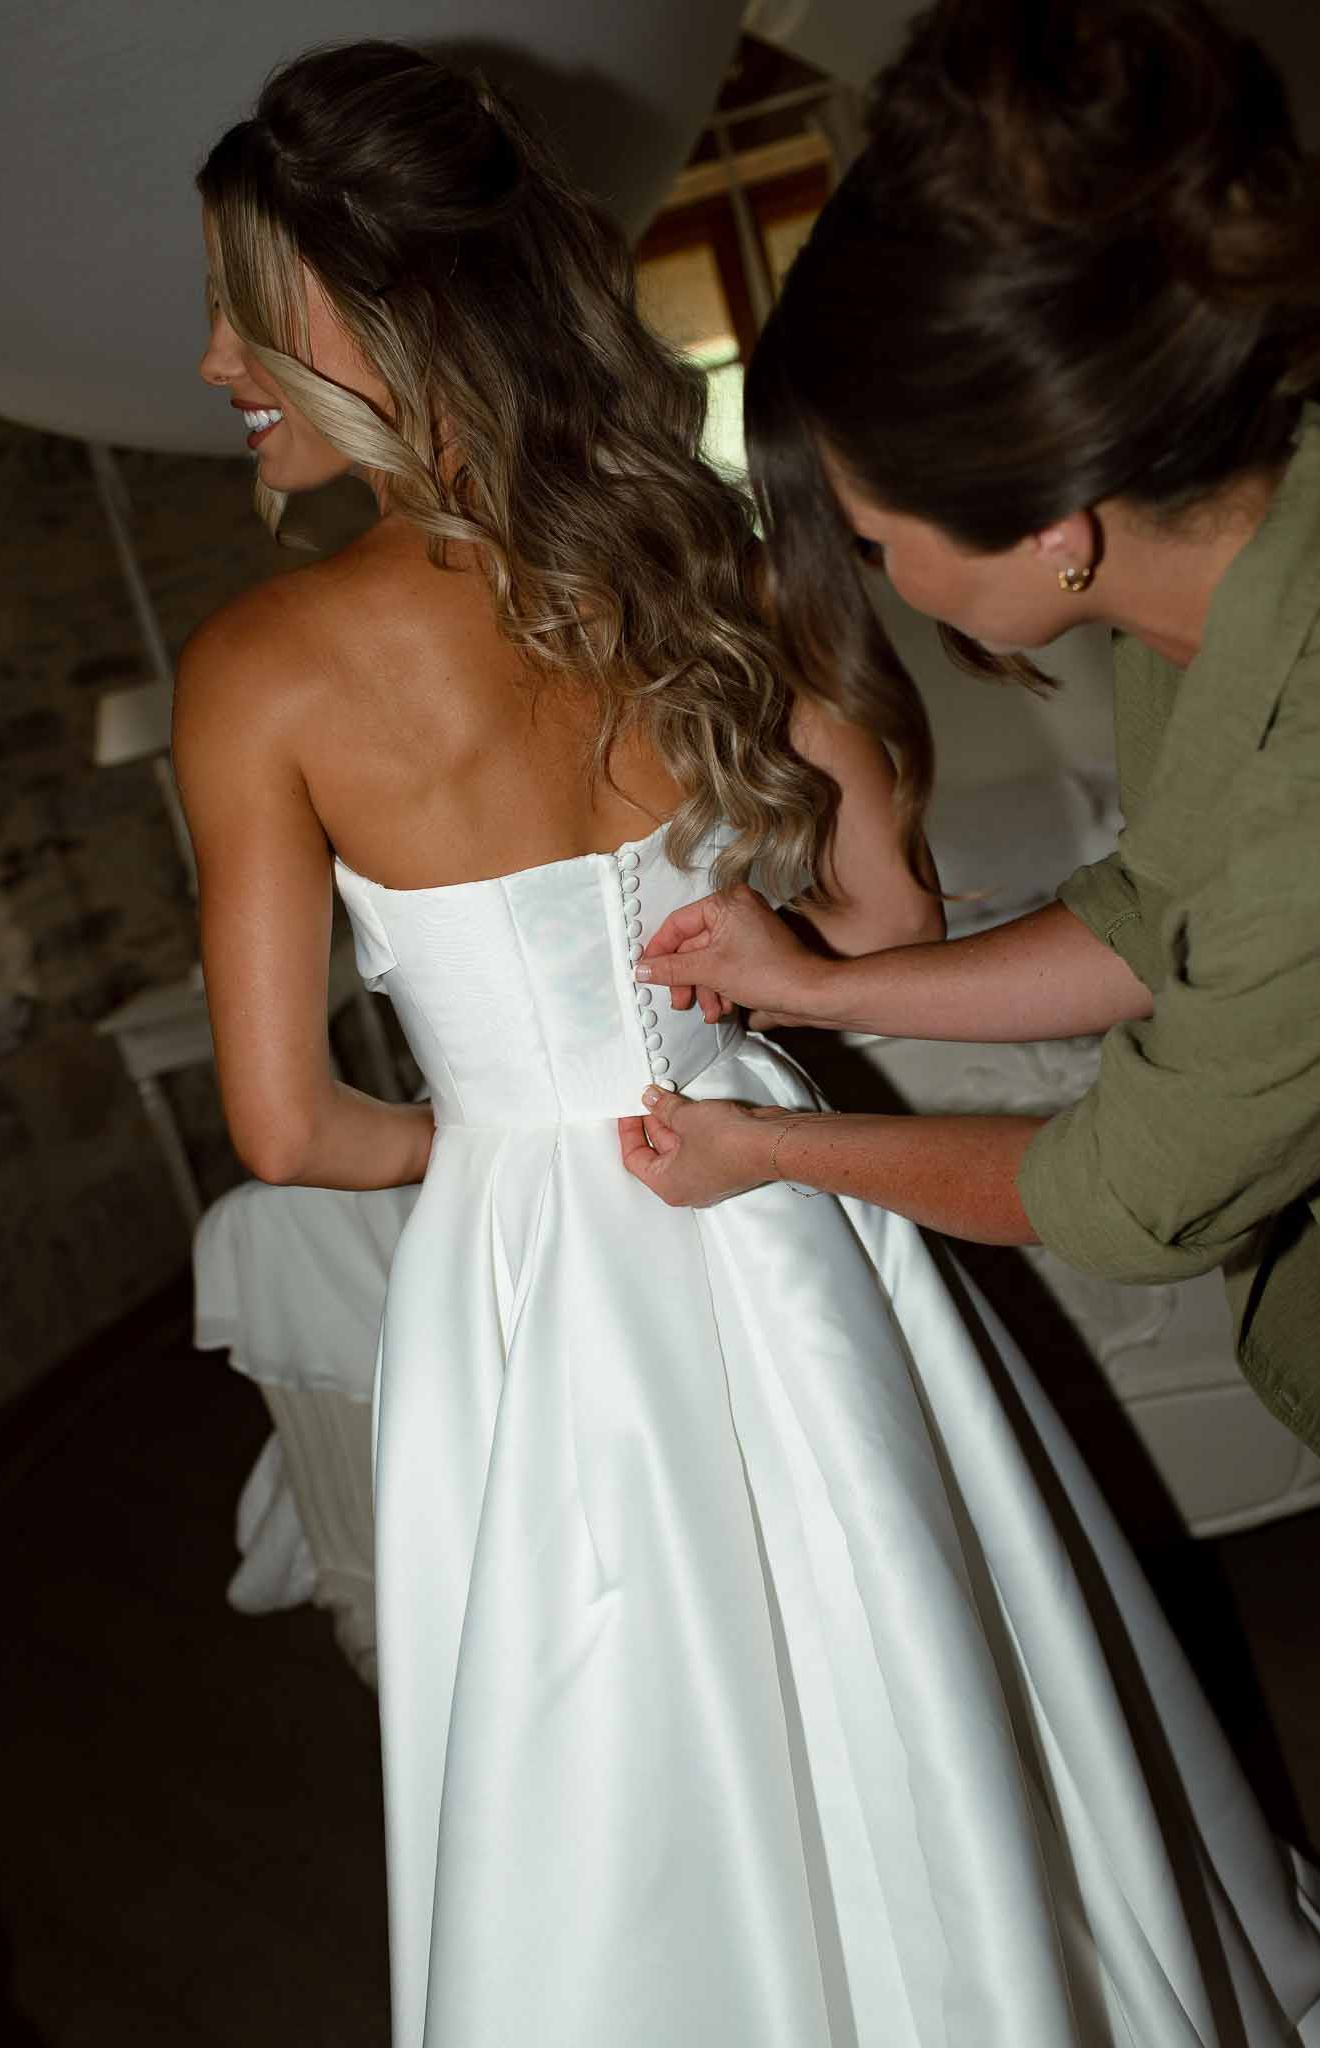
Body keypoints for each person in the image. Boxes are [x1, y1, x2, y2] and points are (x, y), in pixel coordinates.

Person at [178, 38, 1320, 2048]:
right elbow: (881, 923)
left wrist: (518, 1149)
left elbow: (286, 1127)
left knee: (602, 1738)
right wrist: (761, 1001)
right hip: (774, 1186)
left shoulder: (261, 667)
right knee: (920, 1635)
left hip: (541, 1271)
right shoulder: (703, 556)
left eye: (245, 311)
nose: (212, 363)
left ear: (363, 319)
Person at [627, 0, 1320, 1461]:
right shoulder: (1205, 603)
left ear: (1048, 525)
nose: (875, 583)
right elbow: (1145, 921)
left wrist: (767, 1151)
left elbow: (1128, 1199)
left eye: (874, 540)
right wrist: (817, 988)